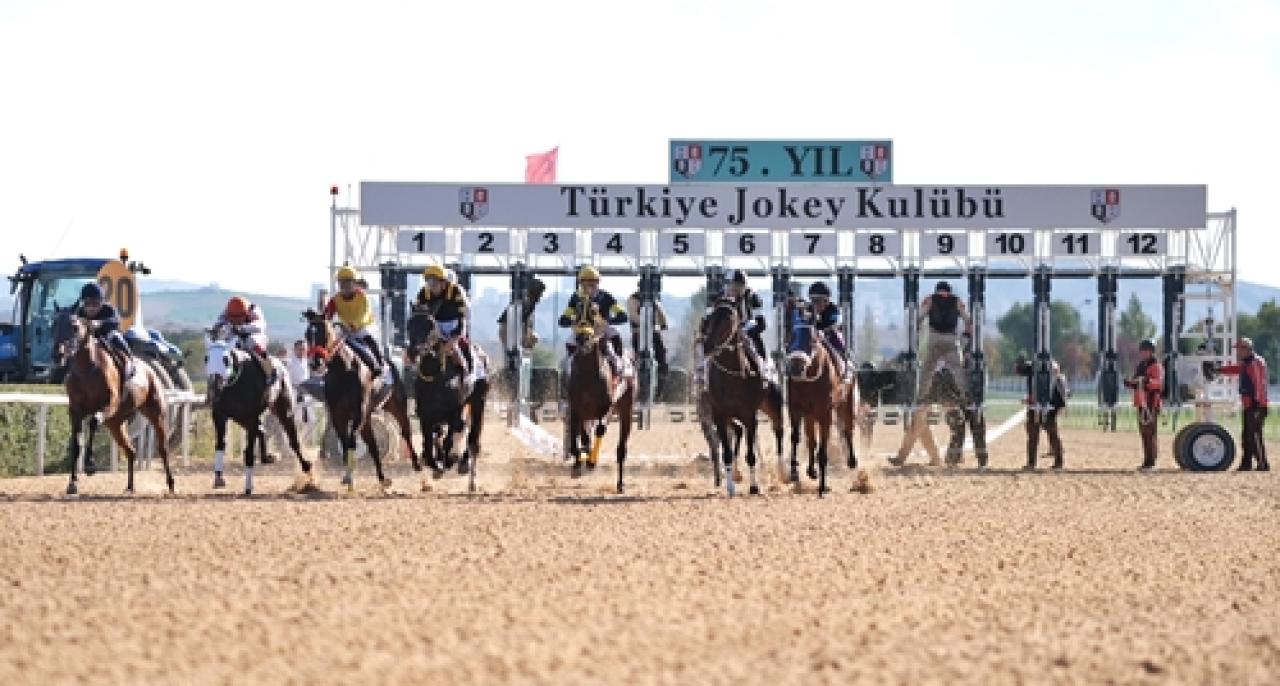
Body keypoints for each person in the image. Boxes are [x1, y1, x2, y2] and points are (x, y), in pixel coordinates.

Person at [414, 265, 476, 391]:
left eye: (434, 282)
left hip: (453, 325)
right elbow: (418, 316)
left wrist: (454, 339)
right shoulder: (423, 293)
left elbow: (462, 317)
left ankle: (465, 374)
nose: (431, 286)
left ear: (443, 282)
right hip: (433, 325)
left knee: (455, 349)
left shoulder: (456, 291)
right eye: (428, 282)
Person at [322, 265, 389, 380]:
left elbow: (364, 315)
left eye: (348, 282)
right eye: (341, 283)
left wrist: (354, 325)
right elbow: (327, 315)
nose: (344, 286)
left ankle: (380, 365)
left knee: (371, 342)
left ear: (354, 283)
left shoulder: (362, 297)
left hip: (365, 327)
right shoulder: (335, 299)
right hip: (345, 330)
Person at [559, 266, 628, 375]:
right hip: (581, 330)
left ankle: (619, 368)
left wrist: (607, 321)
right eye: (585, 284)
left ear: (597, 283)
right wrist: (571, 321)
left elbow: (623, 316)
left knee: (614, 337)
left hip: (601, 330)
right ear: (581, 284)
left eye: (592, 284)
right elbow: (563, 318)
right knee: (568, 350)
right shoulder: (575, 298)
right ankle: (566, 376)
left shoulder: (606, 297)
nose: (589, 287)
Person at [917, 281, 972, 404]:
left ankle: (921, 397)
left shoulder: (930, 300)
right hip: (951, 339)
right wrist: (966, 335)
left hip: (934, 339)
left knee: (927, 369)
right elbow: (968, 320)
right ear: (949, 291)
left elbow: (919, 317)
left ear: (937, 290)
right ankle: (965, 396)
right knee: (958, 369)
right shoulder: (957, 301)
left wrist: (917, 329)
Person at [1220, 337, 1269, 471]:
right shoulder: (1247, 363)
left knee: (1253, 435)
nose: (1238, 352)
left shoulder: (1254, 362)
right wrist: (1219, 370)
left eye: (1239, 349)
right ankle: (1247, 464)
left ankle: (1262, 464)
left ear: (1247, 349)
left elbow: (1258, 384)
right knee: (1248, 435)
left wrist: (1256, 403)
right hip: (1250, 404)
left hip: (1256, 405)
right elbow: (1235, 369)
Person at [1015, 355, 1070, 470]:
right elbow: (1020, 370)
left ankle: (1057, 462)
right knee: (1035, 434)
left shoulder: (1051, 367)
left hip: (1049, 406)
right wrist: (1020, 364)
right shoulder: (1034, 366)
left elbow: (1060, 392)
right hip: (1035, 406)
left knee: (1050, 434)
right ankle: (1033, 463)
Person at [725, 269, 770, 388]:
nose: (735, 289)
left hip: (748, 333)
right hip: (727, 333)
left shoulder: (753, 298)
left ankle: (763, 372)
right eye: (733, 285)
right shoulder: (723, 300)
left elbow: (761, 324)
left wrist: (745, 332)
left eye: (738, 286)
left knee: (755, 346)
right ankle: (702, 376)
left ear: (744, 286)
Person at [213, 296, 276, 382]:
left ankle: (270, 371)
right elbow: (218, 323)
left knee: (252, 340)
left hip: (253, 333)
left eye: (239, 317)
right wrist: (216, 330)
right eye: (232, 317)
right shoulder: (226, 312)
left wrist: (243, 328)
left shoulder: (253, 310)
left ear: (246, 313)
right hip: (235, 334)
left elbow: (260, 326)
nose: (235, 319)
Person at [75, 282, 133, 373]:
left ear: (102, 303)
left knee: (116, 337)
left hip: (106, 337)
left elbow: (116, 321)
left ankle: (130, 361)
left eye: (95, 304)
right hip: (87, 340)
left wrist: (100, 323)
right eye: (87, 303)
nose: (91, 308)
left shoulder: (108, 309)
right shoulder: (79, 312)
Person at [1124, 339, 1164, 470]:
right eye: (1142, 351)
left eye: (1146, 351)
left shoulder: (1156, 366)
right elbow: (1137, 381)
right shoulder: (1141, 365)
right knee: (1144, 433)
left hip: (1151, 402)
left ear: (1151, 352)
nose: (1144, 353)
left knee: (1150, 433)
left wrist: (1146, 381)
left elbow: (1158, 383)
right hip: (1142, 402)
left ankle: (1151, 461)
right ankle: (1147, 460)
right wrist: (1130, 383)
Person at [626, 279, 670, 380]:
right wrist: (645, 324)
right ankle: (637, 375)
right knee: (638, 355)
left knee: (662, 354)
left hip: (653, 333)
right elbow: (633, 315)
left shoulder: (654, 300)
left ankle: (662, 376)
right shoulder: (633, 299)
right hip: (638, 333)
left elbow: (662, 317)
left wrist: (663, 323)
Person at [807, 282, 846, 377]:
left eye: (818, 301)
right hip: (813, 337)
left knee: (836, 338)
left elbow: (834, 324)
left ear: (826, 301)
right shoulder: (808, 309)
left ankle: (843, 365)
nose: (815, 304)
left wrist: (822, 331)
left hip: (829, 337)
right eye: (813, 301)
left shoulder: (833, 310)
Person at [497, 277, 546, 351]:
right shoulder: (525, 303)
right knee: (532, 339)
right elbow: (512, 323)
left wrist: (527, 334)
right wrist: (525, 336)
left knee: (533, 338)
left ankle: (519, 350)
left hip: (512, 330)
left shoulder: (529, 304)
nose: (541, 296)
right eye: (540, 293)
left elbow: (526, 322)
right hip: (507, 329)